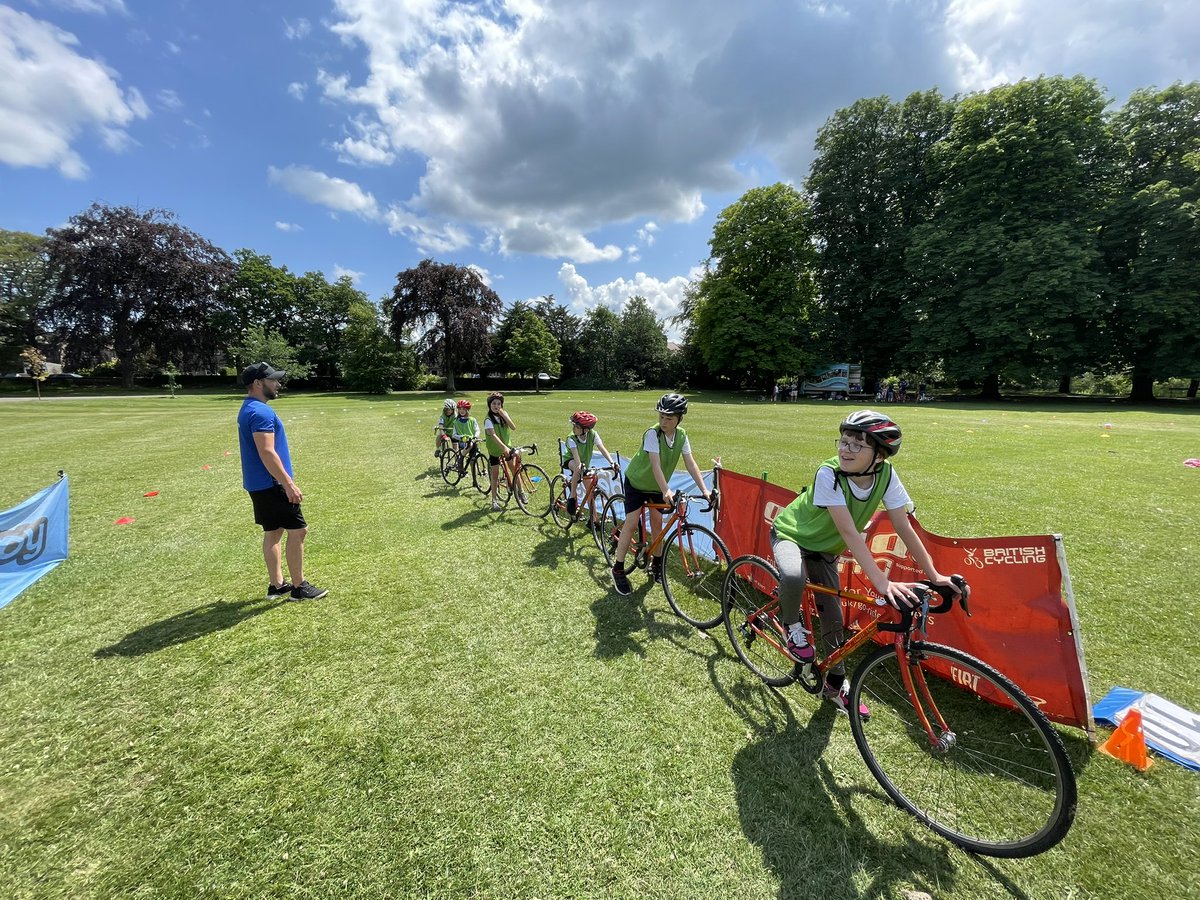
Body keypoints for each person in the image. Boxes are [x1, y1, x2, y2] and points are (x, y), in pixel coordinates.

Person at [770, 410, 960, 715]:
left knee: (834, 621)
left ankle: (835, 685)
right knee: (793, 576)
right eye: (843, 441)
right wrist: (882, 583)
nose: (846, 450)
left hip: (825, 550)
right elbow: (848, 532)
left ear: (879, 456)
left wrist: (935, 575)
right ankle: (791, 625)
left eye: (857, 445)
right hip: (792, 535)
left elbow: (903, 526)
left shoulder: (887, 475)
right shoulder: (828, 473)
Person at [237, 362, 327, 601]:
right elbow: (267, 452)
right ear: (258, 383)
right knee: (298, 531)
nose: (278, 384)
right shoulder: (260, 412)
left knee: (274, 532)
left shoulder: (248, 408)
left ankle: (277, 585)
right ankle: (299, 588)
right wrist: (288, 484)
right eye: (273, 380)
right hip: (271, 483)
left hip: (258, 483)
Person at [609, 393, 715, 594]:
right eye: (661, 417)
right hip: (637, 482)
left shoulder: (682, 435)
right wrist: (666, 489)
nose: (664, 422)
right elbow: (655, 465)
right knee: (631, 523)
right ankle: (618, 569)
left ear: (679, 419)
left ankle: (656, 564)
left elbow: (690, 463)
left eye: (669, 418)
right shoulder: (653, 434)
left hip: (656, 486)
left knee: (657, 525)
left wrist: (704, 490)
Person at [561, 410, 617, 527]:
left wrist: (612, 462)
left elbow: (602, 448)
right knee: (577, 468)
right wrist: (580, 466)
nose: (573, 428)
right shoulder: (571, 438)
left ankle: (593, 520)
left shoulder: (593, 434)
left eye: (576, 427)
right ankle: (572, 497)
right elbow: (576, 456)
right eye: (573, 425)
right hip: (571, 459)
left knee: (590, 492)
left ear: (585, 430)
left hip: (584, 463)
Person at [482, 392, 518, 511]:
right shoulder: (488, 419)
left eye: (499, 404)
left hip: (506, 446)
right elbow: (493, 435)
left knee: (514, 469)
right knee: (495, 474)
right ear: (489, 405)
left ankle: (521, 492)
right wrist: (504, 447)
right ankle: (494, 501)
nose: (496, 406)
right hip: (495, 449)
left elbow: (513, 427)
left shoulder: (503, 414)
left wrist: (504, 416)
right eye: (494, 403)